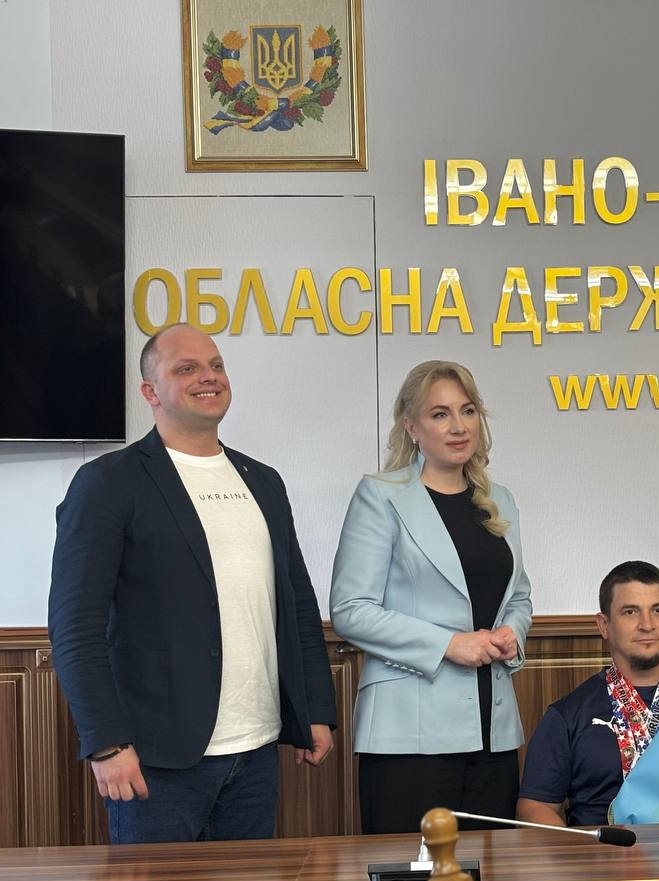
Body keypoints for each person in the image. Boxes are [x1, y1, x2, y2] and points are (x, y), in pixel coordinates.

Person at [48, 324, 337, 844]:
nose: (209, 377)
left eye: (216, 365)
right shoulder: (109, 482)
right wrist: (106, 743)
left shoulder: (263, 480)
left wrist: (315, 710)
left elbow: (296, 602)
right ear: (150, 392)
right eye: (187, 368)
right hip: (154, 760)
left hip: (257, 751)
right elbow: (75, 626)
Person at [330, 360, 532, 833]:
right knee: (411, 875)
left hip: (494, 734)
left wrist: (512, 634)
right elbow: (350, 610)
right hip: (408, 739)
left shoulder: (499, 499)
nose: (459, 426)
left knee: (491, 873)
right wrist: (448, 644)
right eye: (440, 414)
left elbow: (519, 596)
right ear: (411, 426)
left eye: (468, 411)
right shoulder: (380, 496)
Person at [518, 561, 659, 827]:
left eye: (658, 610)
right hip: (603, 850)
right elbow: (534, 807)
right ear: (604, 625)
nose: (647, 624)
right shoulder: (568, 715)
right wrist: (582, 848)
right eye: (630, 612)